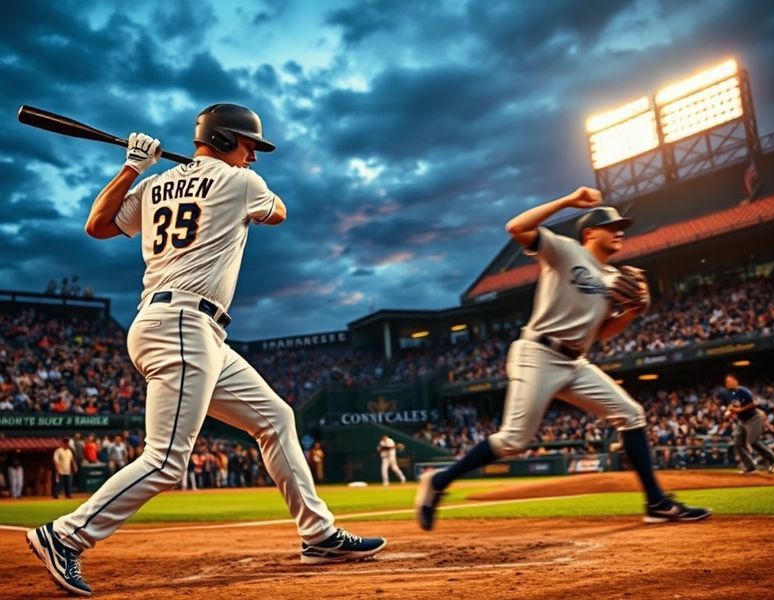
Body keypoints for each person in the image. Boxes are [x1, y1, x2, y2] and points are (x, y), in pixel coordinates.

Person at [26, 104, 386, 597]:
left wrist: (135, 167)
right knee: (167, 459)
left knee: (276, 418)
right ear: (223, 141)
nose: (253, 158)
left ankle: (318, 534)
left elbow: (99, 224)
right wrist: (214, 177)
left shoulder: (155, 185)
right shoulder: (239, 182)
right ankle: (65, 536)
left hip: (187, 329)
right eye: (248, 146)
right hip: (181, 325)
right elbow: (278, 213)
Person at [415, 187, 711, 530]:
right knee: (514, 440)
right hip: (538, 353)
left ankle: (656, 502)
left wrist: (631, 311)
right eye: (611, 227)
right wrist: (568, 201)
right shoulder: (566, 250)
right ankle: (438, 482)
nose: (619, 232)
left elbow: (600, 332)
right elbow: (515, 227)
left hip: (575, 362)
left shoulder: (614, 279)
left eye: (621, 228)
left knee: (631, 414)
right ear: (589, 233)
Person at [720, 373, 774, 474]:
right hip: (742, 421)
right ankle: (750, 466)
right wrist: (728, 412)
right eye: (726, 382)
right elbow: (732, 405)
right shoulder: (730, 393)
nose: (727, 383)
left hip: (753, 418)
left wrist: (740, 410)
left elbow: (755, 403)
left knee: (753, 442)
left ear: (736, 381)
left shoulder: (743, 391)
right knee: (737, 443)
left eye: (729, 381)